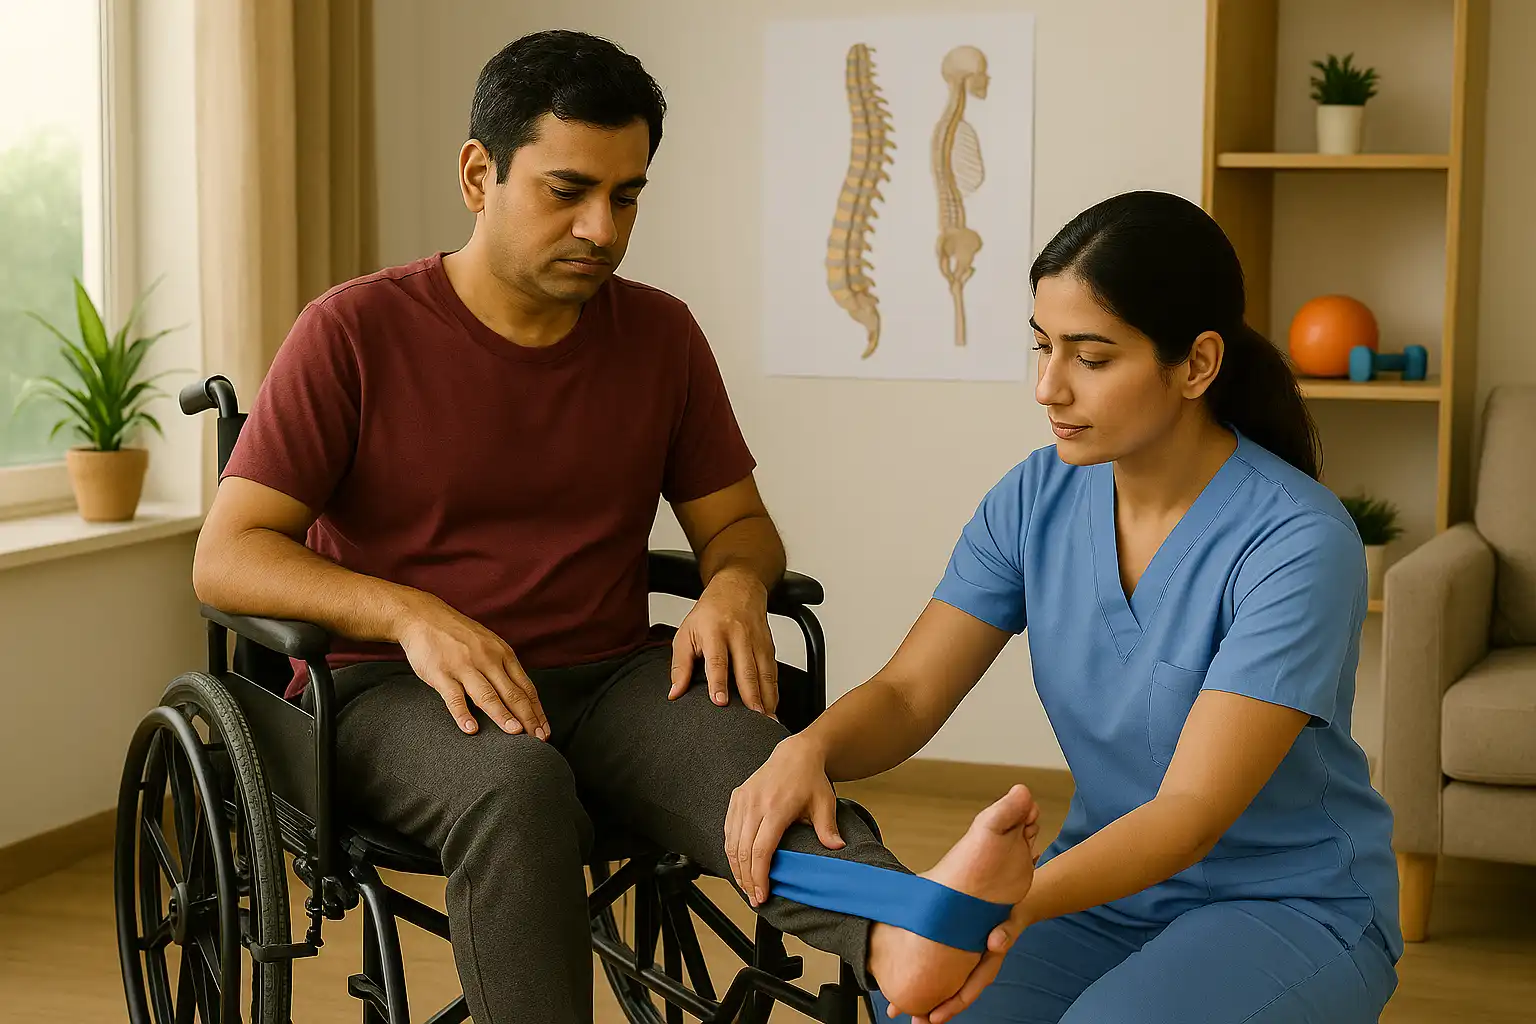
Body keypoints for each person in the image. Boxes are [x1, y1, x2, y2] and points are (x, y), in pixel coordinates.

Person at [193, 29, 936, 1024]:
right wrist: (412, 614)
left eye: (626, 196)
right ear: (479, 174)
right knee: (516, 788)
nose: (601, 227)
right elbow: (227, 557)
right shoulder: (353, 332)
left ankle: (912, 940)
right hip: (397, 694)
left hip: (614, 682)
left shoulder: (661, 335)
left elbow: (740, 524)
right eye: (568, 190)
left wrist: (734, 585)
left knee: (755, 768)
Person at [727, 190, 1403, 1023]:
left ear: (1196, 364)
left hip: (1286, 904)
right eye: (1043, 346)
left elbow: (1190, 814)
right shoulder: (1034, 498)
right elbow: (908, 695)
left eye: (1092, 358)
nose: (1048, 387)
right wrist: (809, 750)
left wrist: (998, 906)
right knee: (923, 1007)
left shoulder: (1297, 541)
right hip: (1105, 891)